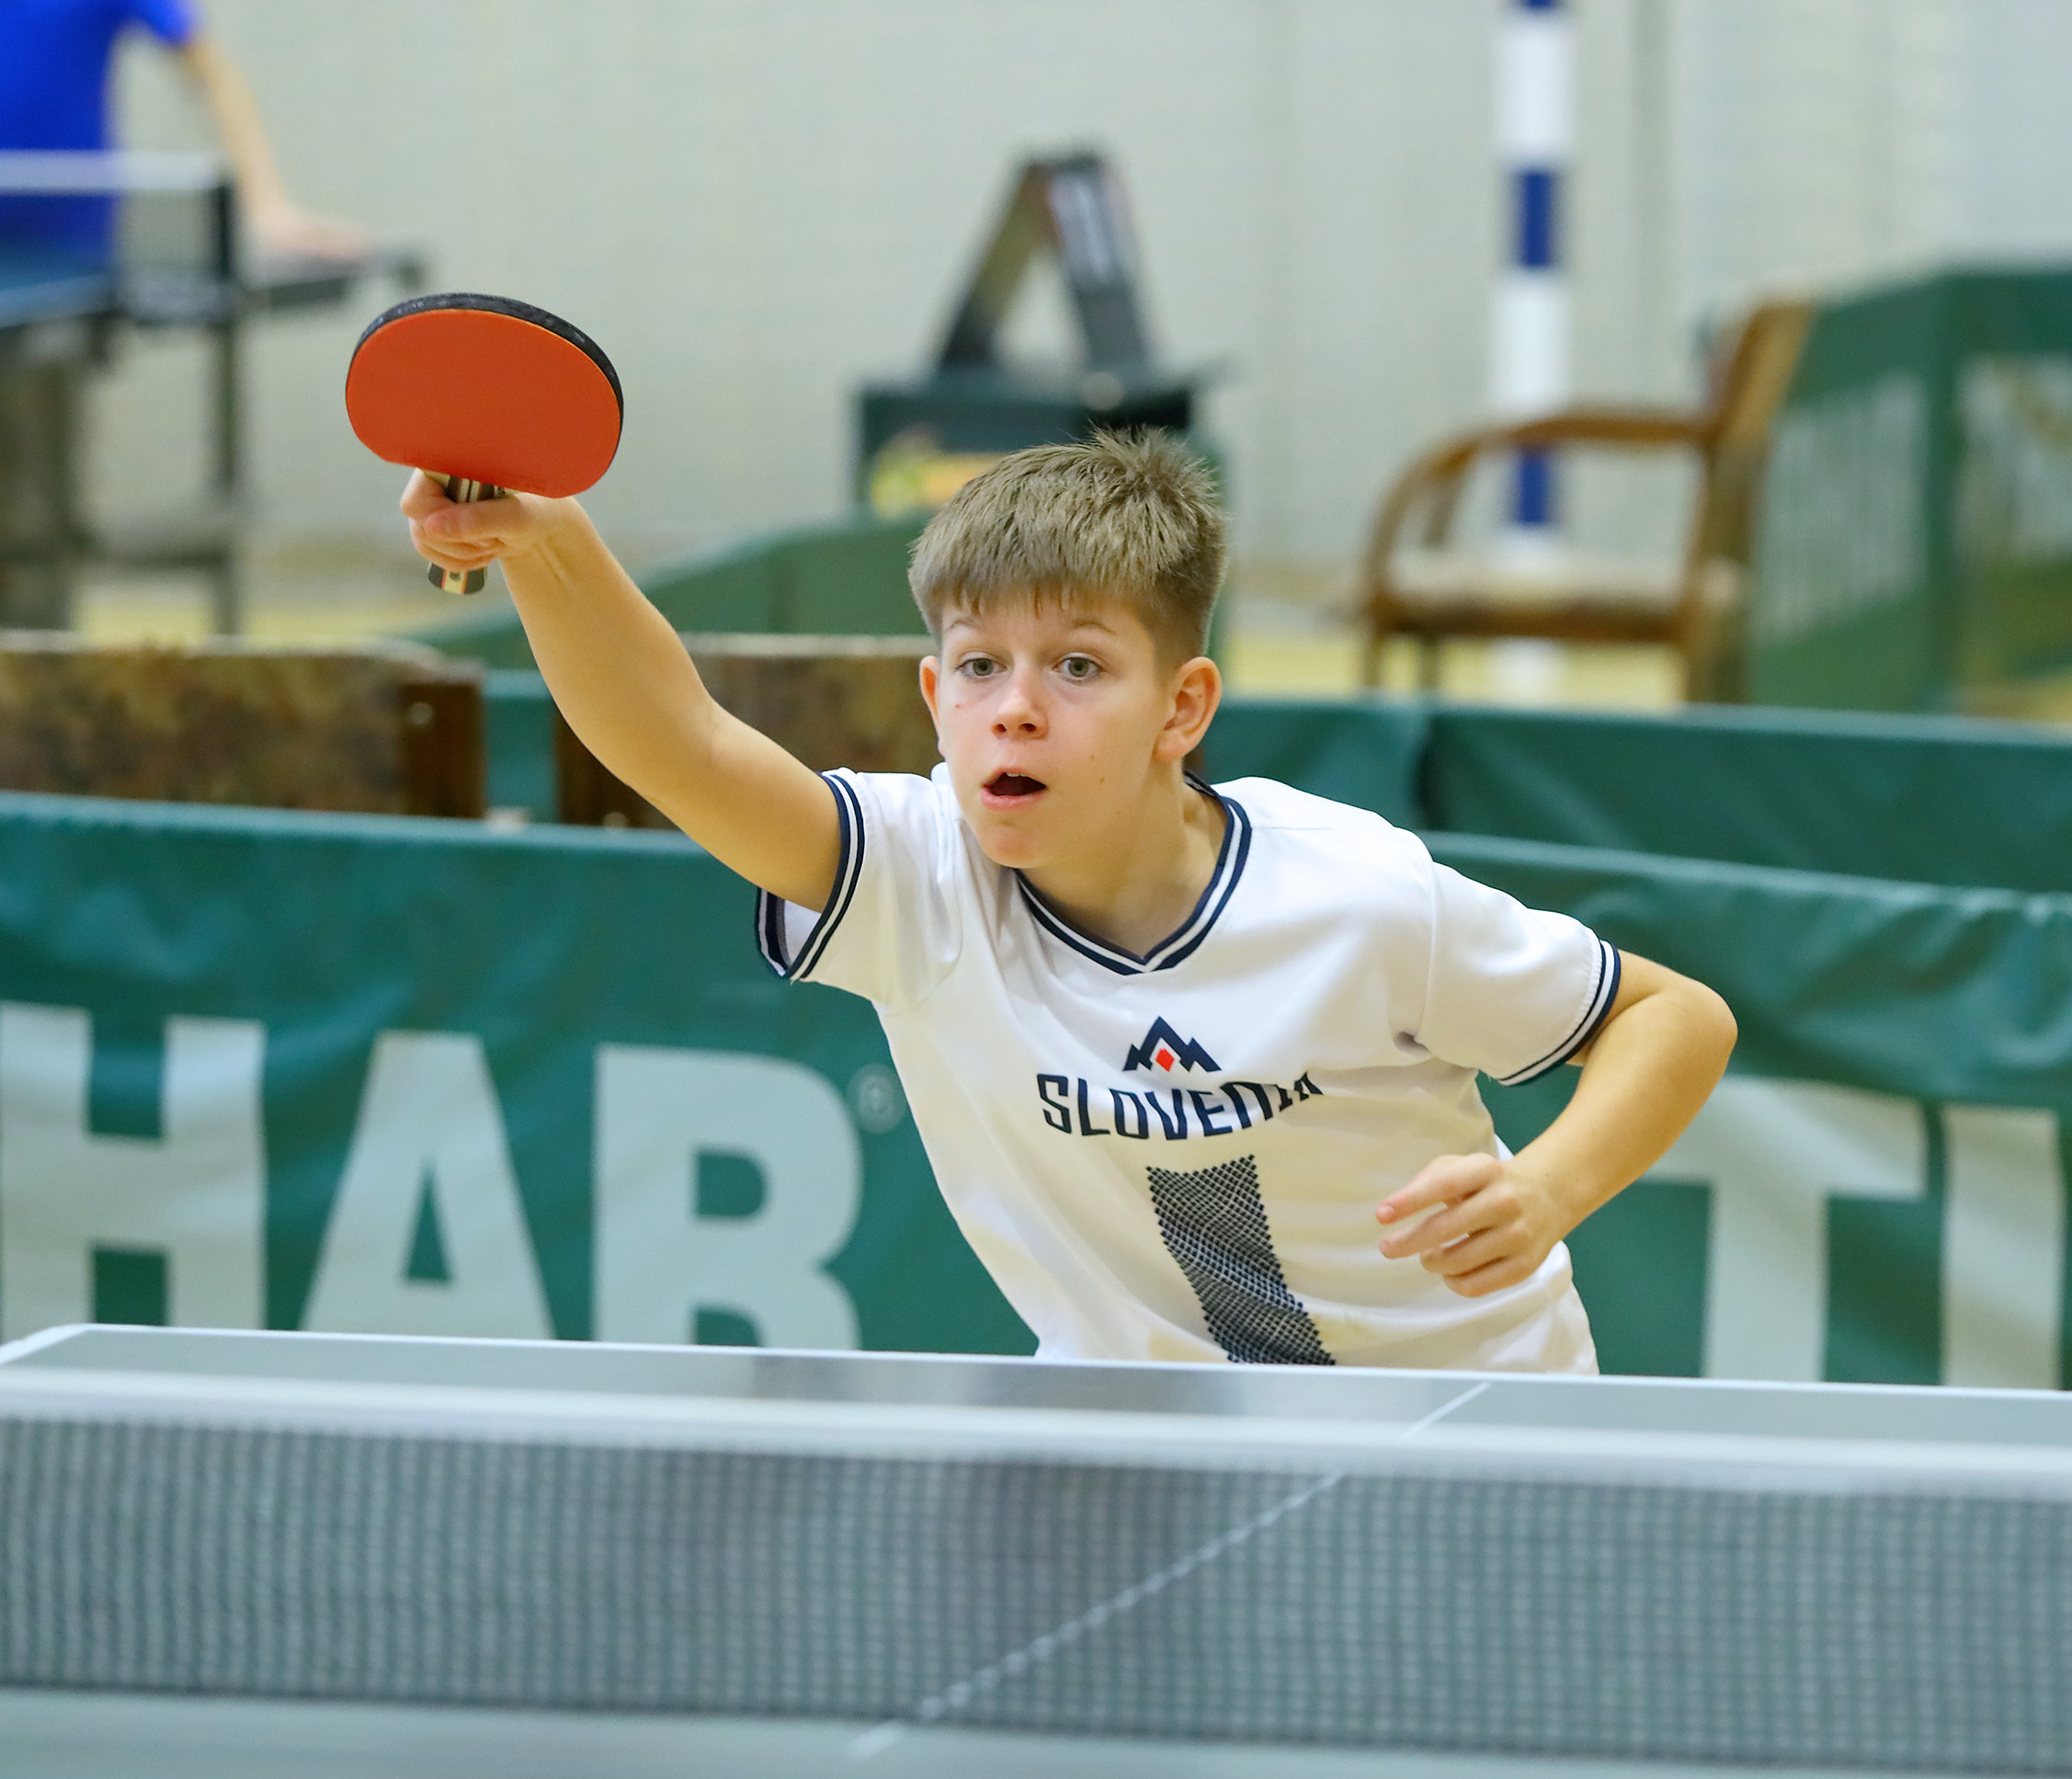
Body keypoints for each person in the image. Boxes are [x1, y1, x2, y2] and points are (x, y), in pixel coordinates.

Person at [402, 432, 1736, 1370]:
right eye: (980, 666)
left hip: (1469, 1444)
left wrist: (1547, 1187)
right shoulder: (920, 881)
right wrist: (546, 539)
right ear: (935, 700)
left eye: (1079, 666)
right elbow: (681, 744)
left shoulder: (1358, 899)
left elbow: (1675, 1017)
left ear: (1183, 708)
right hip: (1144, 1460)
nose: (1018, 707)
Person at [0, 0, 363, 624]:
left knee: (46, 491)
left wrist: (267, 204)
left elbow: (207, 65)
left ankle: (47, 636)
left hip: (64, 259)